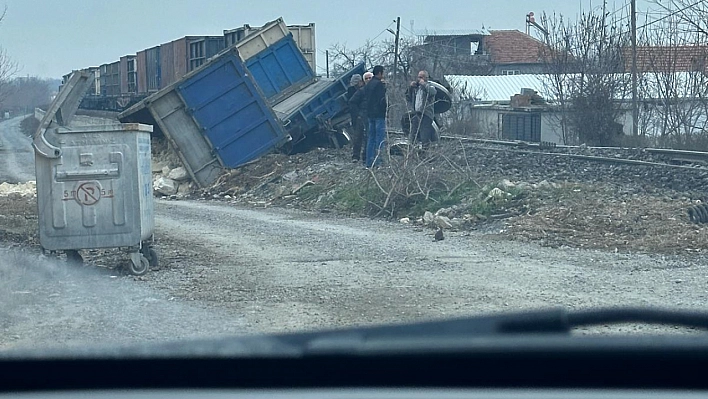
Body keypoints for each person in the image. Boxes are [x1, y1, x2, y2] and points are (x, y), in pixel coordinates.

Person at [406, 70, 437, 152]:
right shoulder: (416, 88)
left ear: (426, 78)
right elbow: (407, 97)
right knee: (413, 134)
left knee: (424, 136)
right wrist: (410, 87)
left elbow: (433, 92)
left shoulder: (430, 86)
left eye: (421, 77)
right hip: (416, 113)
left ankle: (425, 153)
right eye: (418, 77)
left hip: (426, 115)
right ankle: (412, 152)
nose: (419, 79)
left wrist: (424, 84)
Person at [363, 65, 387, 168]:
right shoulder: (379, 85)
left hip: (370, 114)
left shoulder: (368, 85)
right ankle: (379, 162)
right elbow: (382, 101)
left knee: (371, 138)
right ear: (380, 73)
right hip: (379, 115)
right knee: (380, 139)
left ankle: (369, 162)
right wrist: (385, 111)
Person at [348, 72, 374, 163]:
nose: (368, 80)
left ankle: (366, 157)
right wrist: (358, 114)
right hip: (362, 116)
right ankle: (356, 156)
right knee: (358, 136)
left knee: (369, 137)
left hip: (373, 116)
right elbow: (352, 102)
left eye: (370, 78)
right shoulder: (361, 91)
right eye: (366, 78)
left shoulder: (376, 89)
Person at [346, 74, 366, 162]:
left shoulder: (365, 90)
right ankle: (356, 156)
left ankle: (363, 156)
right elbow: (352, 104)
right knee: (358, 137)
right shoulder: (353, 91)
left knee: (364, 137)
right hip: (358, 116)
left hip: (362, 116)